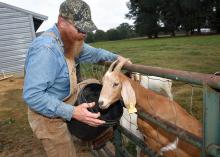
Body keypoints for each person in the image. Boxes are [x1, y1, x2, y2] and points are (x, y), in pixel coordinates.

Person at [23, 0, 129, 156]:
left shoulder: (71, 41)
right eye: (80, 28)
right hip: (45, 113)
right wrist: (72, 112)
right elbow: (33, 96)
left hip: (65, 96)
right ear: (62, 22)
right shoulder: (46, 49)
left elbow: (95, 53)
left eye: (87, 29)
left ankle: (93, 134)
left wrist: (119, 58)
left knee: (95, 86)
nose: (84, 34)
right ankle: (81, 128)